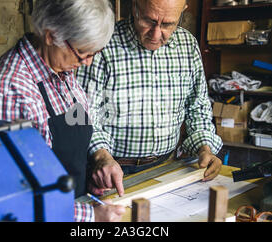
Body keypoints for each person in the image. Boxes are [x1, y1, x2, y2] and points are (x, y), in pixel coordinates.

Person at [0, 0, 124, 222]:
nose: (88, 62)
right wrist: (90, 215)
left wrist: (91, 170)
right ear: (50, 35)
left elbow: (71, 140)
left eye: (95, 52)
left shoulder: (62, 68)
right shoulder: (9, 89)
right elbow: (15, 196)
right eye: (83, 52)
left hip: (75, 204)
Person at [77, 0, 224, 197]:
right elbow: (83, 113)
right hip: (112, 170)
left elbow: (197, 106)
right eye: (149, 20)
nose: (156, 34)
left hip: (168, 165)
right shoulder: (104, 42)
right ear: (135, 7)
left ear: (182, 13)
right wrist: (102, 157)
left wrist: (205, 148)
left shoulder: (187, 45)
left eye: (167, 24)